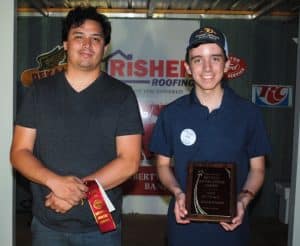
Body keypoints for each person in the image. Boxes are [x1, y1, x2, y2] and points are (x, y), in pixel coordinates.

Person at [10, 6, 143, 246]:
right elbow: (19, 153)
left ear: (105, 47)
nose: (87, 45)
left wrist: (72, 193)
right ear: (65, 44)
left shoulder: (122, 95)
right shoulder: (39, 92)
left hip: (100, 227)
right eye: (78, 36)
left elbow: (129, 161)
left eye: (96, 39)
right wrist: (55, 182)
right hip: (48, 223)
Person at [149, 26, 271, 245]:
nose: (206, 68)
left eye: (215, 58)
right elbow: (162, 165)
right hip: (183, 226)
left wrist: (243, 199)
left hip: (232, 227)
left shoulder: (249, 113)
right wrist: (177, 192)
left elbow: (258, 169)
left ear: (227, 64)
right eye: (197, 60)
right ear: (187, 67)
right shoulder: (171, 114)